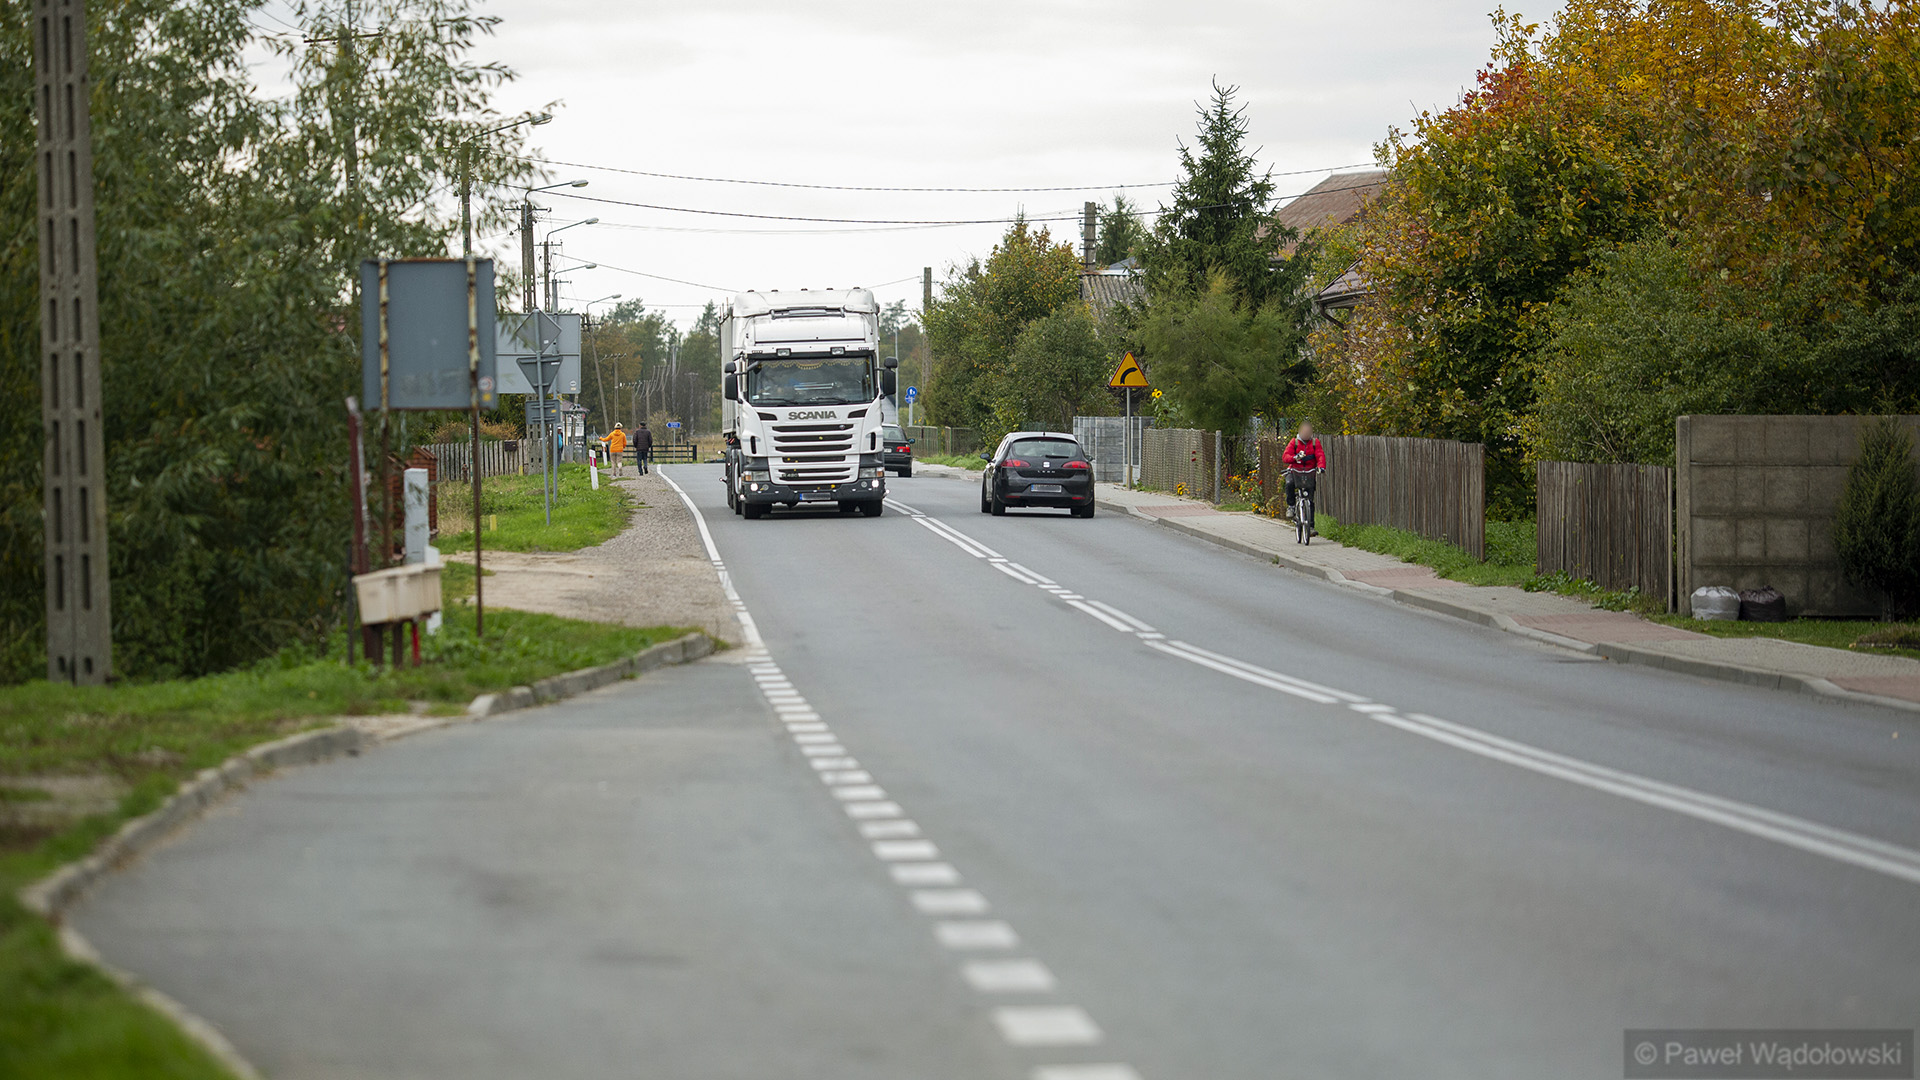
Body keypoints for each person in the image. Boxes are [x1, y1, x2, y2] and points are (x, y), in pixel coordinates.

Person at [1282, 421, 1326, 534]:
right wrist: (1295, 457)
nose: (1306, 434)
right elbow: (1285, 456)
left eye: (1308, 432)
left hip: (1309, 472)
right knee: (1289, 483)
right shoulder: (1294, 442)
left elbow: (1320, 456)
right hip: (1295, 471)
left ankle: (1310, 527)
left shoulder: (1315, 443)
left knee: (1310, 500)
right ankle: (1291, 506)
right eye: (1304, 431)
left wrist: (1321, 467)